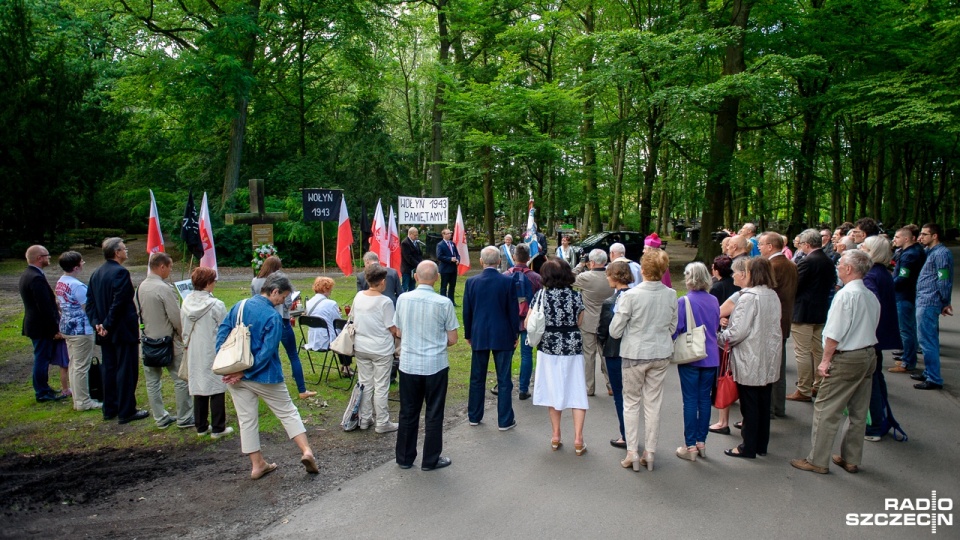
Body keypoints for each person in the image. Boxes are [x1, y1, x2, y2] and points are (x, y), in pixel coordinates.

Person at [217, 273, 319, 479]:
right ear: (274, 292)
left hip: (236, 376)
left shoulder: (239, 305)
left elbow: (222, 333)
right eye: (283, 297)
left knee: (246, 420)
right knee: (288, 412)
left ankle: (257, 465)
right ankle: (306, 451)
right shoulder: (272, 316)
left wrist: (228, 365)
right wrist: (246, 371)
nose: (283, 302)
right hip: (265, 375)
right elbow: (267, 351)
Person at [791, 250, 879, 475]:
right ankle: (851, 458)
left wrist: (825, 361)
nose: (838, 267)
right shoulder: (870, 295)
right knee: (859, 410)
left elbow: (834, 333)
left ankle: (817, 460)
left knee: (826, 409)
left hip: (847, 356)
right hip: (868, 353)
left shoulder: (845, 295)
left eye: (840, 264)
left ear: (849, 269)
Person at [610, 249, 676, 471]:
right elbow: (673, 326)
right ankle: (650, 451)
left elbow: (615, 331)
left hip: (635, 353)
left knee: (631, 402)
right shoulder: (670, 294)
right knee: (653, 403)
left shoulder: (631, 296)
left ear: (644, 270)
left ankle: (632, 452)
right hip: (660, 352)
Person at [394, 261, 459, 471]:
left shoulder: (403, 299)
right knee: (433, 412)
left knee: (408, 411)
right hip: (435, 364)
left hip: (410, 363)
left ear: (415, 277)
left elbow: (398, 331)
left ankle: (404, 457)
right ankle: (430, 459)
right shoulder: (443, 303)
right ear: (437, 278)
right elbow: (453, 338)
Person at [717, 257, 782, 459]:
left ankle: (748, 446)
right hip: (768, 356)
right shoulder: (772, 294)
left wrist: (718, 337)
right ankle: (761, 444)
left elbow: (738, 333)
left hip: (750, 357)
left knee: (750, 404)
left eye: (737, 272)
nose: (734, 275)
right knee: (762, 402)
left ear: (747, 274)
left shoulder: (748, 297)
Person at [86, 238, 147, 423]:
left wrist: (98, 323)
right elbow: (119, 302)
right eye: (124, 248)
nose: (126, 251)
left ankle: (109, 407)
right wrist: (106, 324)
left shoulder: (96, 273)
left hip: (105, 331)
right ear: (116, 252)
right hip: (120, 330)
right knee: (125, 370)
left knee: (109, 369)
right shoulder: (120, 273)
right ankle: (126, 410)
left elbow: (90, 303)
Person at [530, 259, 588, 454]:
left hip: (548, 347)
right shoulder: (576, 296)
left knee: (552, 389)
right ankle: (578, 439)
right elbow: (580, 322)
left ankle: (556, 435)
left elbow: (530, 320)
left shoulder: (540, 296)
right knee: (577, 389)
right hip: (572, 346)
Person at [135, 252, 194, 429]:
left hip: (148, 341)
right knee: (181, 379)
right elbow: (176, 316)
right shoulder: (163, 288)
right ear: (162, 267)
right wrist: (184, 336)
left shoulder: (140, 287)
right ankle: (184, 416)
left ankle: (160, 417)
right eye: (169, 267)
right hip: (168, 342)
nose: (170, 271)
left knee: (153, 381)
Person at [463, 246, 520, 430]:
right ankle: (504, 419)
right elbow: (513, 311)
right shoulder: (507, 281)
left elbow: (467, 311)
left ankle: (474, 415)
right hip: (502, 334)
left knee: (477, 377)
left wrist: (469, 334)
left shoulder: (471, 282)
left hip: (479, 333)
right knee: (504, 379)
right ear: (498, 262)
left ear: (481, 261)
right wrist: (515, 333)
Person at [673, 262, 721, 462]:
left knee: (690, 400)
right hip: (711, 355)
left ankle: (690, 444)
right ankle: (701, 442)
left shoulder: (684, 301)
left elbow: (677, 328)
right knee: (704, 399)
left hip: (692, 355)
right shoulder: (714, 300)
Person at [251, 256, 316, 399]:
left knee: (268, 354)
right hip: (282, 320)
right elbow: (287, 302)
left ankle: (262, 387)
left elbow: (254, 300)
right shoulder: (280, 281)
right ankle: (302, 389)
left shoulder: (255, 281)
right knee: (293, 354)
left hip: (262, 322)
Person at [181, 267, 232, 438]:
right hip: (211, 348)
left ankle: (201, 425)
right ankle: (218, 427)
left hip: (194, 348)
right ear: (208, 283)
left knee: (199, 385)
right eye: (214, 281)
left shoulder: (186, 302)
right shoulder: (216, 305)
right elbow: (225, 327)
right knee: (216, 385)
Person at [859, 236, 901, 441]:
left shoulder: (871, 276)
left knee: (871, 381)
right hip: (880, 335)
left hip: (871, 337)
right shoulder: (882, 273)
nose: (860, 249)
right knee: (877, 378)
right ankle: (882, 417)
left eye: (864, 247)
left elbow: (870, 305)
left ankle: (875, 425)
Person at [788, 228, 836, 402]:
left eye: (801, 244)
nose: (800, 247)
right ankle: (818, 384)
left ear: (807, 244)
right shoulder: (828, 260)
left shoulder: (808, 261)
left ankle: (803, 389)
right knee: (817, 350)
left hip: (803, 311)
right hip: (820, 309)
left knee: (802, 352)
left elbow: (796, 286)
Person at [350, 264, 399, 433]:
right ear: (383, 282)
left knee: (365, 383)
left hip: (361, 346)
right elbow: (392, 328)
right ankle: (382, 421)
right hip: (380, 349)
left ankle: (365, 418)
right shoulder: (385, 302)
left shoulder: (358, 297)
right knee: (381, 385)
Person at [757, 232, 798, 418]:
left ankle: (771, 407)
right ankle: (778, 406)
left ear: (770, 246)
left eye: (761, 244)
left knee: (771, 366)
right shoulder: (790, 264)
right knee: (778, 366)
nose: (759, 247)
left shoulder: (772, 266)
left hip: (773, 321)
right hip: (784, 319)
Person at [20, 245, 66, 402]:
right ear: (39, 258)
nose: (49, 257)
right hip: (40, 326)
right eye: (47, 255)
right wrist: (55, 328)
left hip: (35, 324)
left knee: (41, 357)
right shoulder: (36, 278)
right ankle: (42, 392)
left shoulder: (28, 274)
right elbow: (44, 307)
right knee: (42, 358)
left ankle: (43, 388)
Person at [55, 251, 100, 410]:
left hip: (67, 327)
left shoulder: (61, 282)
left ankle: (78, 396)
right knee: (82, 366)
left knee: (74, 364)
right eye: (81, 262)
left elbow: (59, 304)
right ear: (75, 267)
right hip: (80, 330)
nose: (83, 264)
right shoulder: (77, 286)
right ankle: (83, 401)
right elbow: (87, 308)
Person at [911, 223, 953, 390]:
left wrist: (944, 300)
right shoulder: (930, 252)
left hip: (930, 301)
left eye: (924, 234)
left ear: (934, 236)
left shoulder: (942, 254)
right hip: (924, 299)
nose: (921, 237)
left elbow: (944, 279)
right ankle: (929, 372)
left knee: (928, 341)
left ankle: (934, 377)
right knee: (925, 339)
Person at [500, 243, 541, 399]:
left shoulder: (505, 276)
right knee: (526, 354)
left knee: (507, 354)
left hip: (508, 322)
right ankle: (523, 389)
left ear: (514, 257)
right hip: (528, 321)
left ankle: (504, 385)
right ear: (529, 257)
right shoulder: (536, 278)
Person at [597, 261, 631, 449]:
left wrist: (602, 342)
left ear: (615, 276)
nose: (607, 278)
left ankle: (626, 434)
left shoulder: (611, 303)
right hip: (633, 352)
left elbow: (604, 330)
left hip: (615, 351)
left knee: (620, 395)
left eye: (608, 275)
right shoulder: (636, 297)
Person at [573, 249, 614, 397]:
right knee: (606, 354)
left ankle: (589, 388)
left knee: (588, 356)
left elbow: (569, 278)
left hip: (589, 322)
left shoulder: (585, 277)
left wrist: (580, 264)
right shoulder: (611, 276)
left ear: (591, 262)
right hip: (607, 321)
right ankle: (611, 385)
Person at [889, 226, 926, 373]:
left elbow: (903, 278)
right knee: (908, 329)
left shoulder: (909, 255)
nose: (894, 240)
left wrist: (889, 285)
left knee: (906, 330)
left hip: (904, 295)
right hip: (908, 295)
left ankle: (908, 362)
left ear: (906, 238)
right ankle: (907, 358)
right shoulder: (912, 251)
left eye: (897, 237)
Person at [305, 276, 353, 377]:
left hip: (313, 338)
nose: (331, 291)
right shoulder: (331, 303)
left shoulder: (309, 302)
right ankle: (346, 367)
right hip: (326, 339)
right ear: (326, 289)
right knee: (344, 335)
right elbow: (338, 322)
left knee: (340, 334)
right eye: (330, 288)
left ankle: (345, 366)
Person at [436, 228, 460, 305]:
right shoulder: (440, 245)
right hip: (445, 269)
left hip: (453, 269)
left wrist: (458, 260)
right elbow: (439, 256)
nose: (450, 235)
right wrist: (450, 259)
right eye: (448, 233)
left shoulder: (452, 244)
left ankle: (451, 301)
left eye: (450, 233)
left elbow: (457, 254)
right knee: (444, 286)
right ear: (443, 235)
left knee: (452, 286)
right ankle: (443, 301)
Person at [400, 227, 423, 292]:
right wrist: (418, 264)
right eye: (415, 235)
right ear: (410, 234)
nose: (416, 236)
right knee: (405, 286)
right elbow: (408, 257)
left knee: (412, 286)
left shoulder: (416, 242)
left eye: (417, 235)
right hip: (407, 269)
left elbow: (419, 254)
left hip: (414, 269)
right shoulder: (405, 243)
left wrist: (421, 262)